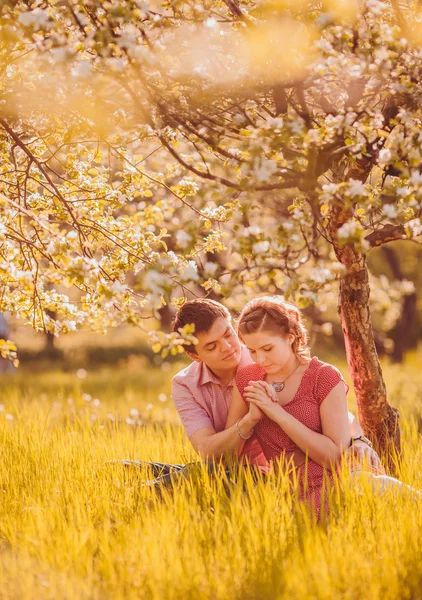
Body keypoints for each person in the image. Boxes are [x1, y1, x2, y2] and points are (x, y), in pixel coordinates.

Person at [117, 299, 381, 487]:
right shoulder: (188, 384)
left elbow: (318, 399)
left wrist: (358, 439)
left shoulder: (263, 352)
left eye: (229, 334)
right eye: (212, 346)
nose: (229, 348)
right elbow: (208, 451)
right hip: (228, 466)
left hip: (266, 472)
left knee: (182, 479)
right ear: (194, 355)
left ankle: (167, 480)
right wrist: (250, 419)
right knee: (125, 470)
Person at [225, 295, 419, 516]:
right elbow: (229, 452)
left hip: (343, 481)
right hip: (290, 493)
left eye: (268, 348)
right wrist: (251, 419)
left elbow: (333, 457)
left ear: (290, 337)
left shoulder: (323, 377)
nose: (259, 358)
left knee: (392, 503)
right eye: (252, 351)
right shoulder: (247, 379)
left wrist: (277, 413)